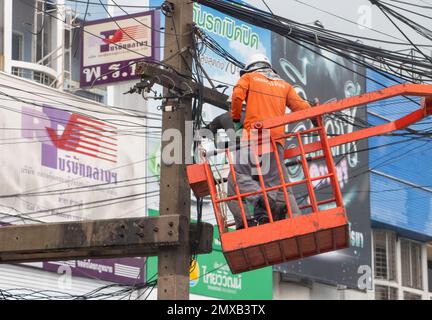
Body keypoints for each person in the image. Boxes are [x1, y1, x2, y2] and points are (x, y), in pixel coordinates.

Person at [227, 53, 316, 229]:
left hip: (254, 138)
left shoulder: (249, 78)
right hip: (276, 142)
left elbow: (237, 97)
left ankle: (249, 216)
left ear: (250, 67)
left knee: (236, 179)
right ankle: (294, 218)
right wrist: (315, 110)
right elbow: (301, 108)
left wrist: (236, 119)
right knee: (279, 183)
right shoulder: (284, 85)